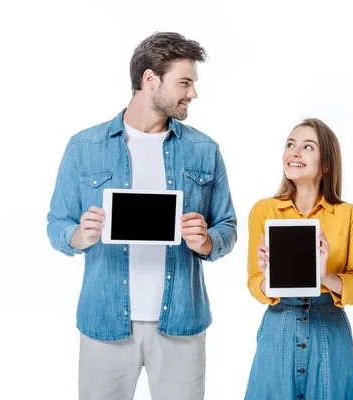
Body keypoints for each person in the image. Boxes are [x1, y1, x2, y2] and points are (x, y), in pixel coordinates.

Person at [46, 32, 237, 400]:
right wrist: (79, 236)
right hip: (105, 325)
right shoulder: (84, 147)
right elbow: (57, 223)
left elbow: (227, 225)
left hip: (181, 323)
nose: (192, 94)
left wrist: (208, 240)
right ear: (150, 80)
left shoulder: (204, 149)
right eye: (185, 82)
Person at [245, 118, 353, 399]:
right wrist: (267, 280)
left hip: (330, 326)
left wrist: (325, 276)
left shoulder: (349, 215)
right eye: (290, 144)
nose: (294, 152)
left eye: (307, 146)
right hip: (279, 325)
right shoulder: (263, 211)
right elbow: (254, 282)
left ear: (326, 163)